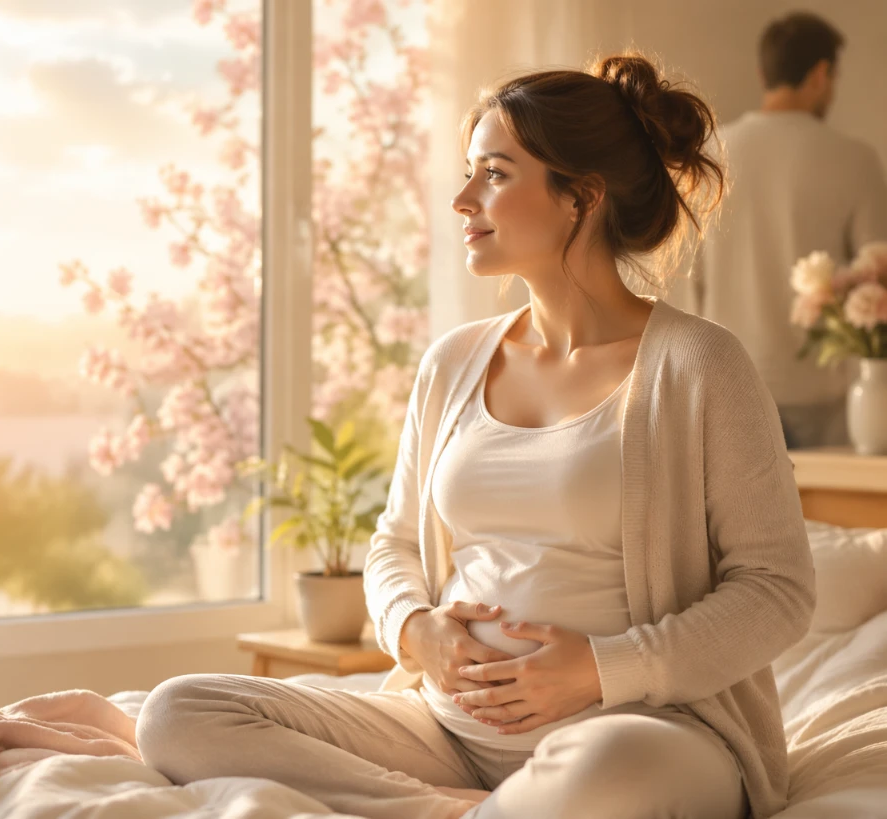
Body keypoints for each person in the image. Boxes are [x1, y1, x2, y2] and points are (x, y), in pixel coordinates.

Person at [137, 53, 815, 819]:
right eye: (469, 172)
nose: (462, 199)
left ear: (580, 197)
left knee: (608, 769)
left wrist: (600, 668)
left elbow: (778, 591)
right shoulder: (454, 361)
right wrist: (415, 630)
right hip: (446, 731)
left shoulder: (698, 365)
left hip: (641, 730)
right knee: (178, 711)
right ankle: (452, 808)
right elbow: (394, 542)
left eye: (494, 172)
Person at [676, 11, 887, 448]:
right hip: (825, 397)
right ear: (821, 74)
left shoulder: (710, 157)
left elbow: (686, 282)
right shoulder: (855, 160)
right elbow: (878, 272)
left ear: (763, 72)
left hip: (727, 387)